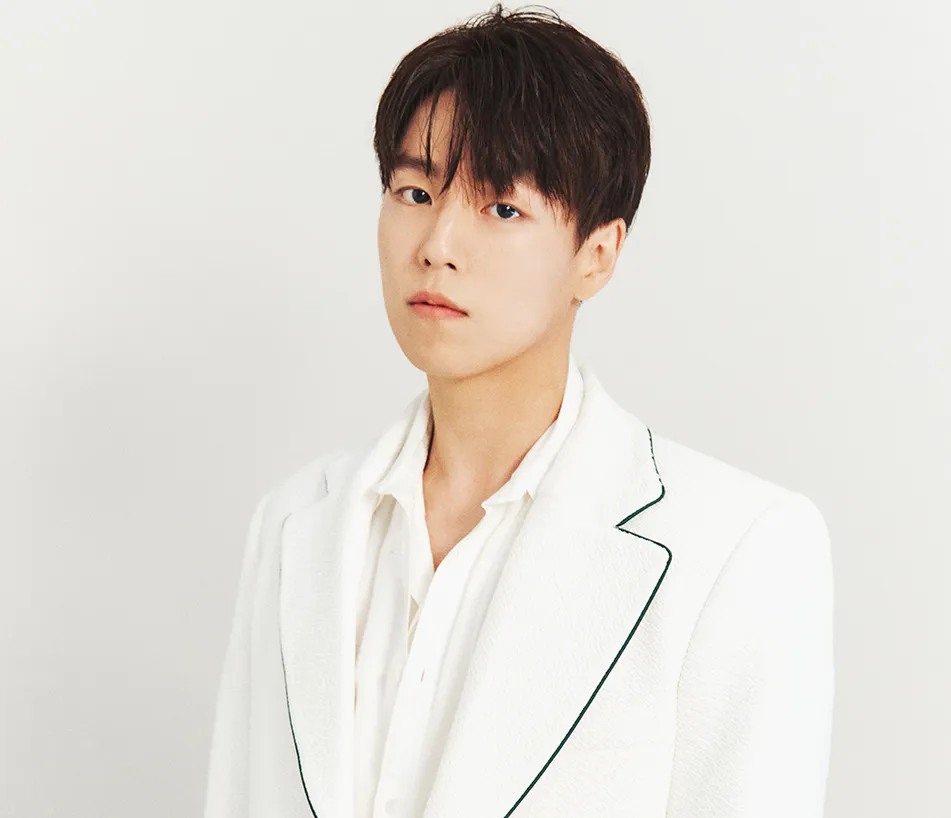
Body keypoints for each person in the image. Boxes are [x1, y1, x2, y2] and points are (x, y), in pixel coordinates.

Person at [203, 5, 835, 817]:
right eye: (415, 191)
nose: (437, 244)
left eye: (502, 207)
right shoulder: (296, 524)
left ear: (597, 255)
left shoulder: (733, 550)